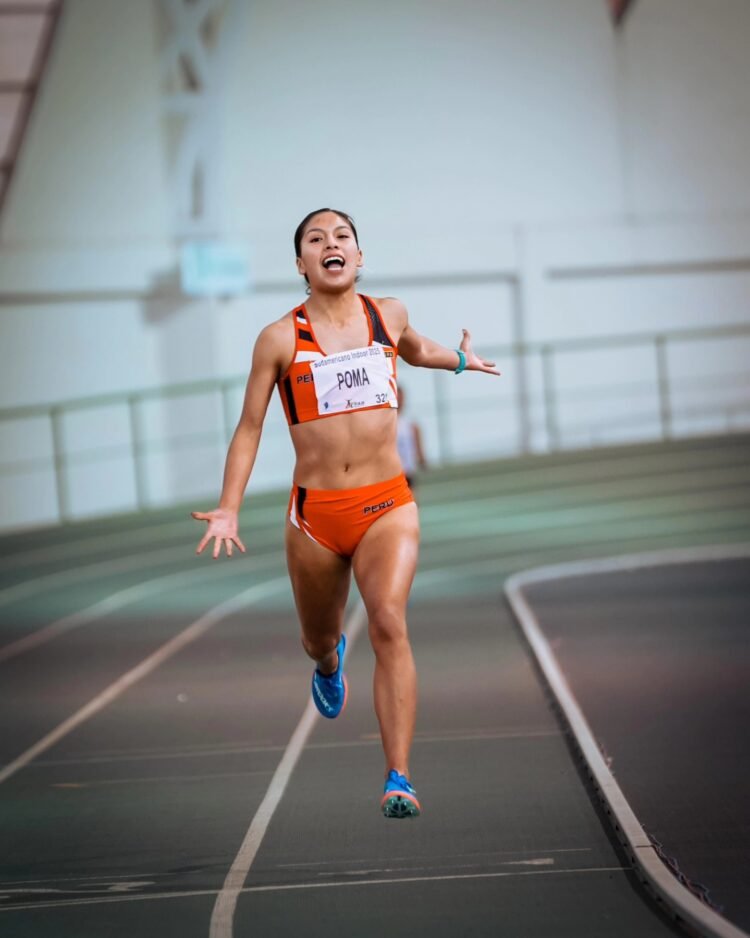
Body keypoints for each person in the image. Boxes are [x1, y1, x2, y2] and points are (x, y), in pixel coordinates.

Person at [192, 208, 499, 819]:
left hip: (388, 503)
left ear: (359, 257)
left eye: (342, 238)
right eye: (316, 239)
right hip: (315, 517)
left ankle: (399, 777)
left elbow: (415, 350)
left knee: (388, 620)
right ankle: (329, 665)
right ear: (302, 264)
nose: (331, 245)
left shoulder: (387, 314)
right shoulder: (280, 338)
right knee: (319, 638)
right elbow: (250, 429)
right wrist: (229, 508)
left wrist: (461, 361)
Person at [396, 386, 428, 491]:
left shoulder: (410, 424)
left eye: (401, 398)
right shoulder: (385, 424)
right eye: (397, 398)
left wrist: (422, 459)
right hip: (393, 474)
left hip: (408, 472)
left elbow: (418, 447)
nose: (400, 401)